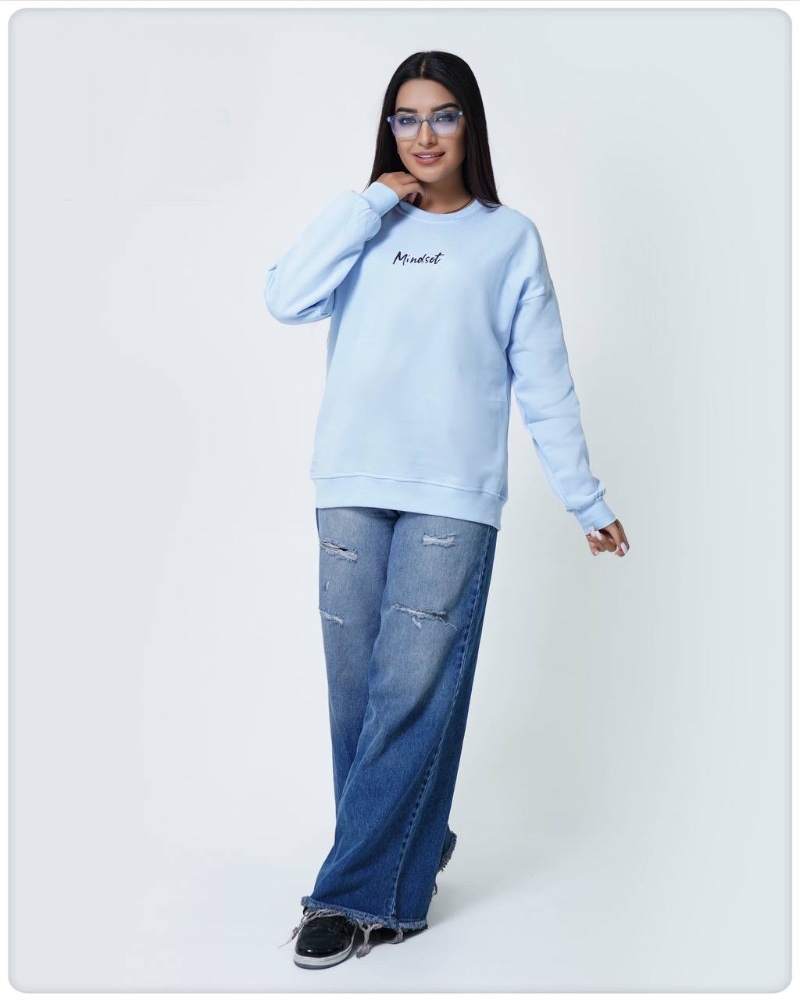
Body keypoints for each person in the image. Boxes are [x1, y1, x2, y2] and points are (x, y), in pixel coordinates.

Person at [265, 50, 630, 970]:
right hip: (350, 489)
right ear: (387, 129)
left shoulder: (508, 240)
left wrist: (584, 498)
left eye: (442, 115)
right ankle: (411, 846)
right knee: (357, 697)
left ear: (471, 124)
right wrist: (367, 204)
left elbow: (544, 381)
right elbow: (285, 298)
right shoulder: (365, 226)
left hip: (451, 502)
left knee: (409, 693)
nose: (422, 135)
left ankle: (350, 897)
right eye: (405, 117)